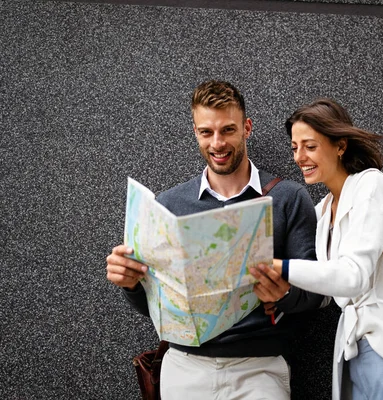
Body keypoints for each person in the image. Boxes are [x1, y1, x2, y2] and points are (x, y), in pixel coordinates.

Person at [105, 80, 325, 399]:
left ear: (247, 128)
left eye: (228, 130)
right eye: (206, 132)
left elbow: (315, 292)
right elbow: (154, 303)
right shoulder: (167, 206)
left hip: (258, 370)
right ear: (195, 131)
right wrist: (130, 284)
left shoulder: (288, 198)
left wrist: (285, 292)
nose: (217, 143)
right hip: (183, 368)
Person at [252, 98, 383, 399]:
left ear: (340, 146)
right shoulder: (322, 211)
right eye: (294, 147)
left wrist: (280, 267)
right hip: (354, 352)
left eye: (310, 146)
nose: (299, 157)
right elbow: (328, 287)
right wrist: (280, 291)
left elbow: (353, 276)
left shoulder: (371, 186)